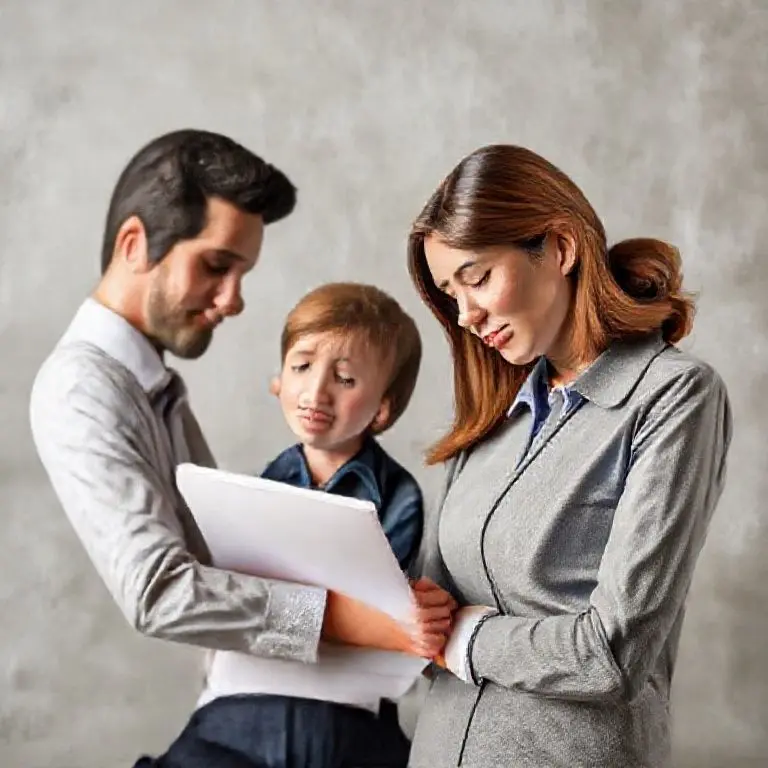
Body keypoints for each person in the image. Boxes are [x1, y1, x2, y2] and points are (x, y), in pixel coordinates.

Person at [28, 129, 454, 736]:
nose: (233, 301)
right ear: (133, 245)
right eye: (216, 266)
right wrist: (360, 619)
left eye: (242, 274)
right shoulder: (83, 387)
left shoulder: (154, 386)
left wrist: (405, 604)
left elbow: (225, 560)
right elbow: (160, 592)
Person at [404, 144, 733, 768]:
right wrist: (416, 621)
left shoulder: (672, 396)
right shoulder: (490, 417)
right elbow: (433, 635)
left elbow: (612, 653)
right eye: (450, 293)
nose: (465, 315)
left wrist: (467, 637)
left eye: (476, 278)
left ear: (559, 247)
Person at [137, 281, 437, 767]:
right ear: (278, 380)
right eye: (301, 367)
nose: (316, 392)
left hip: (346, 706)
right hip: (245, 695)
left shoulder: (397, 495)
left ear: (382, 407)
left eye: (345, 379)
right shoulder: (258, 488)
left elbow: (383, 607)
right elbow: (234, 592)